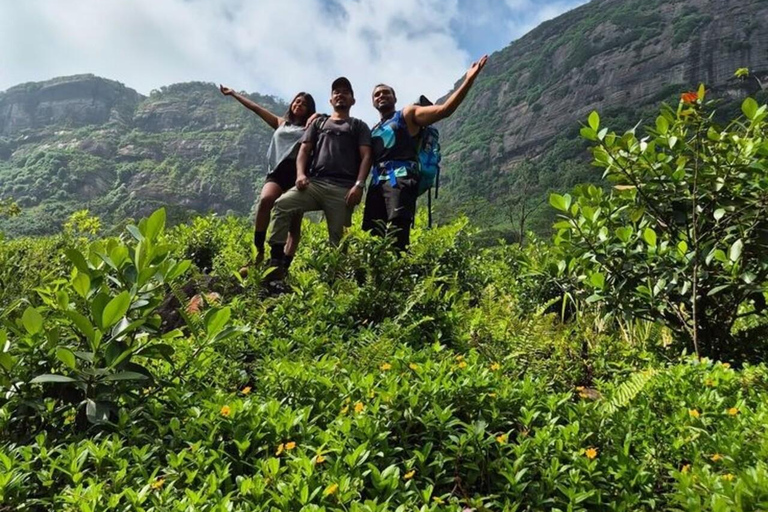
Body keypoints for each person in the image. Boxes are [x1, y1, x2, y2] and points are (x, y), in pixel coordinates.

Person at [363, 55, 488, 251]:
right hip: (376, 185)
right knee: (370, 238)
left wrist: (469, 79)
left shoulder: (408, 114)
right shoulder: (374, 128)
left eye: (386, 93)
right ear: (373, 103)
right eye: (376, 95)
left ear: (394, 98)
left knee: (397, 235)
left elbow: (445, 110)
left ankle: (400, 279)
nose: (381, 96)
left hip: (401, 181)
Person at [266, 77, 372, 277]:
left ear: (353, 100)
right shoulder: (319, 124)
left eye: (345, 92)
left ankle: (335, 282)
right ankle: (276, 263)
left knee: (338, 241)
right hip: (314, 184)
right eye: (336, 92)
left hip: (343, 189)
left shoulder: (359, 126)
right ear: (331, 100)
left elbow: (366, 156)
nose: (340, 95)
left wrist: (359, 185)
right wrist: (300, 174)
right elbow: (304, 151)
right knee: (282, 204)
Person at [219, 85, 316, 272]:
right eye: (297, 101)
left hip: (298, 174)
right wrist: (233, 94)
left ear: (309, 109)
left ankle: (283, 265)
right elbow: (256, 108)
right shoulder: (281, 123)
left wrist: (316, 118)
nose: (299, 105)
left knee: (293, 224)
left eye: (304, 104)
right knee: (265, 200)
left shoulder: (311, 128)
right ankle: (259, 252)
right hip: (278, 171)